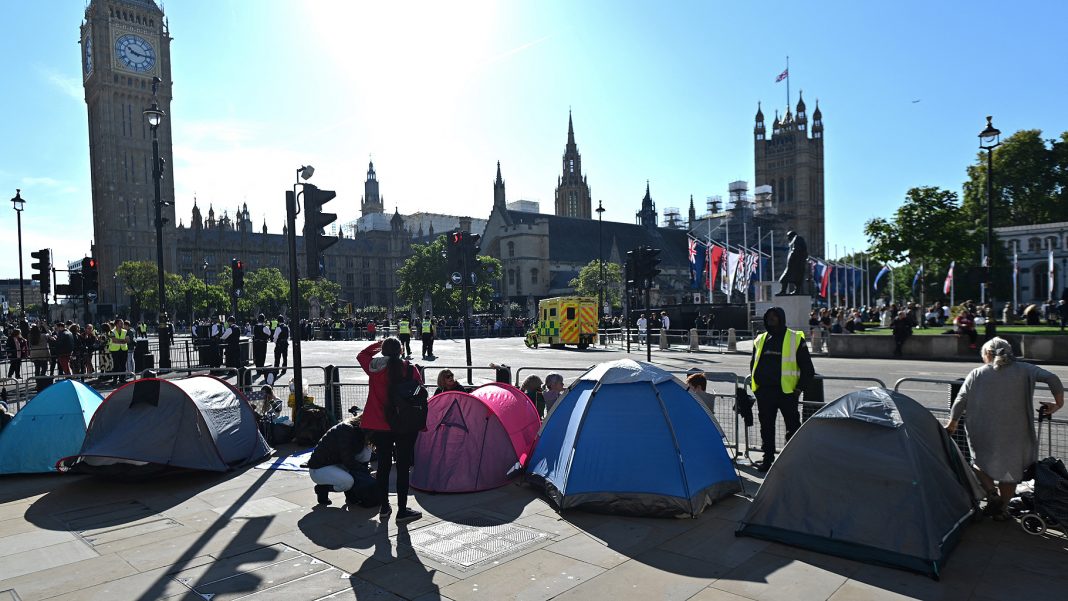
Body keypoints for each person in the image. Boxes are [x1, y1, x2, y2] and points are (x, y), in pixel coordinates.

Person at [947, 337, 1064, 520]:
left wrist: (952, 423)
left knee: (978, 463)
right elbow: (1052, 378)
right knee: (1009, 473)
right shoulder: (1026, 369)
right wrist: (1058, 404)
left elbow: (960, 400)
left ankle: (992, 494)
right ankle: (1002, 511)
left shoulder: (977, 373)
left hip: (982, 429)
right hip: (1016, 431)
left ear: (987, 354)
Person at [357, 337, 423, 524]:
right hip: (404, 423)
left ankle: (384, 507)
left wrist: (378, 343)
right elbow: (418, 391)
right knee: (403, 467)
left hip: (380, 423)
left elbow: (362, 354)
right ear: (401, 351)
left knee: (383, 466)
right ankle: (402, 510)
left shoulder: (374, 367)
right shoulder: (410, 369)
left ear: (383, 351)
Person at [749, 306, 815, 472]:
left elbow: (808, 369)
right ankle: (767, 459)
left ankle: (792, 460)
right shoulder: (760, 339)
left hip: (787, 392)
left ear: (781, 318)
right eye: (769, 316)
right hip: (765, 392)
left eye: (774, 316)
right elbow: (753, 364)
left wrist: (799, 389)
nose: (771, 319)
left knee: (792, 428)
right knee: (766, 428)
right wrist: (756, 388)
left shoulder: (794, 338)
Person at [307, 413, 374, 507]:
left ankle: (352, 492)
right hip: (319, 468)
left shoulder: (356, 430)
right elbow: (348, 461)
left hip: (336, 463)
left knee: (366, 451)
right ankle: (322, 488)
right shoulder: (346, 430)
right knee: (347, 482)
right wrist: (366, 473)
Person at [252, 313, 271, 380]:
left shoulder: (255, 327)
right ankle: (261, 368)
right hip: (262, 343)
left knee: (257, 356)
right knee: (262, 356)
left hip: (256, 343)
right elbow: (269, 333)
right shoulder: (265, 327)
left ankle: (258, 369)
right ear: (263, 320)